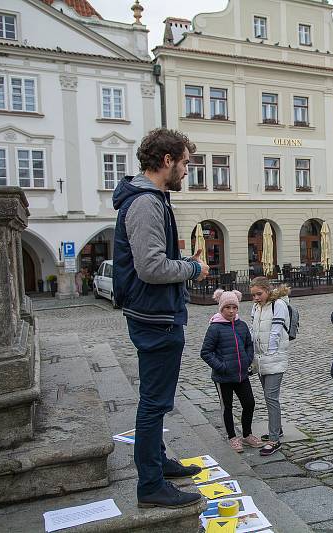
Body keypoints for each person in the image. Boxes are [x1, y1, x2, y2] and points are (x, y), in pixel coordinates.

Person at [112, 128, 207, 508]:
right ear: (167, 161)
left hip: (157, 313)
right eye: (185, 163)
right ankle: (150, 483)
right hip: (155, 316)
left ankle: (158, 461)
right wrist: (192, 268)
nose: (187, 171)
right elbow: (151, 267)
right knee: (154, 402)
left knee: (158, 399)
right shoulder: (146, 202)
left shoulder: (153, 198)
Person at [200, 289, 262, 453]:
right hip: (223, 377)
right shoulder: (215, 328)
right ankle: (232, 437)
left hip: (241, 374)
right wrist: (222, 367)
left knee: (249, 403)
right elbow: (206, 352)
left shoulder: (241, 325)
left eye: (234, 307)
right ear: (221, 308)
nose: (231, 311)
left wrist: (247, 359)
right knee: (227, 407)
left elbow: (249, 344)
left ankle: (247, 434)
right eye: (227, 307)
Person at [249, 276, 291, 457]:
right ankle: (277, 429)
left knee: (271, 397)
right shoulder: (256, 307)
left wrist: (270, 353)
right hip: (260, 359)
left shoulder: (278, 304)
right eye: (253, 295)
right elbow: (253, 330)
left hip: (274, 358)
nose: (256, 298)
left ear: (268, 290)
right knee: (268, 397)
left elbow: (276, 331)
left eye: (259, 294)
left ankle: (274, 440)